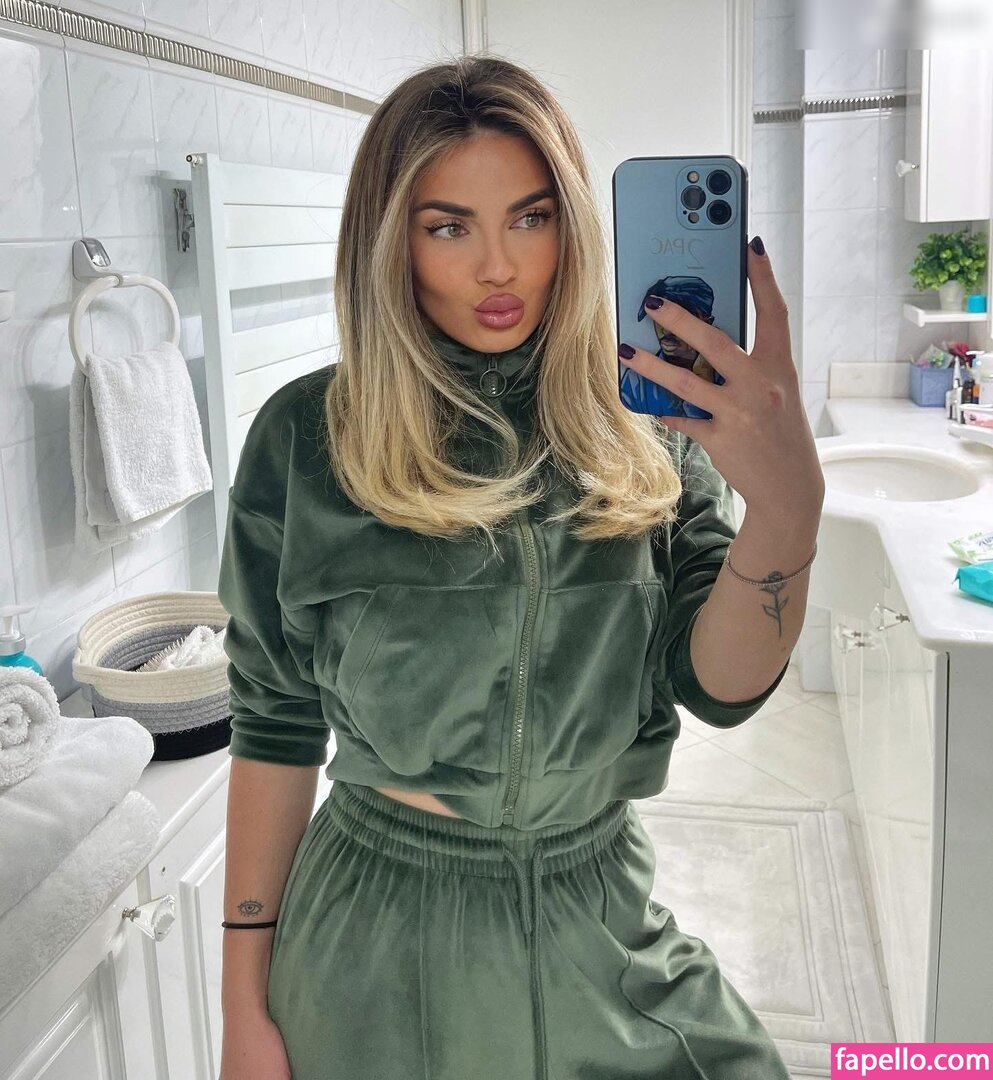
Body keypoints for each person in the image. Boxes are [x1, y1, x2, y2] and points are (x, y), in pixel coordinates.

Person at [218, 53, 824, 1080]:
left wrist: (788, 510)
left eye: (531, 218)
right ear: (390, 242)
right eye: (448, 226)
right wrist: (243, 1005)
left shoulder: (650, 426)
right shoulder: (307, 438)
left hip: (601, 911)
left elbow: (719, 689)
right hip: (374, 945)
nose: (498, 267)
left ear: (572, 226)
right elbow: (273, 724)